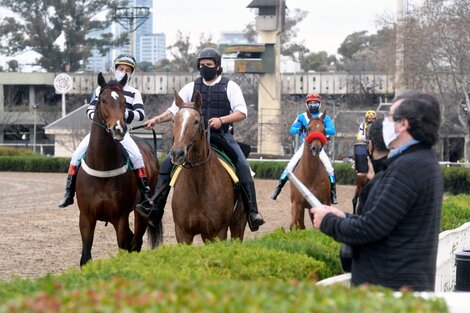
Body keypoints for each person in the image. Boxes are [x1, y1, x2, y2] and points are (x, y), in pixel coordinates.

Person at [311, 91, 444, 291]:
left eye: (390, 116)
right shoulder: (419, 161)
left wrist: (329, 222)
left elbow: (371, 228)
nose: (385, 123)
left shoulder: (408, 167)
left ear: (403, 125)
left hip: (390, 293)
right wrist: (344, 216)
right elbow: (384, 220)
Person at [140, 47, 265, 232]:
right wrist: (156, 120)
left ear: (217, 66)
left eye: (208, 65)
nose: (204, 68)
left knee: (242, 165)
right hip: (193, 139)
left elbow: (242, 112)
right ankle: (155, 207)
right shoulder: (191, 86)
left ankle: (252, 211)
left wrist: (221, 120)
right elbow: (175, 110)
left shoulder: (230, 86)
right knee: (167, 163)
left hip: (220, 135)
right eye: (201, 65)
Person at [58, 54, 154, 213]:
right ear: (115, 69)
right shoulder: (100, 90)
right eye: (121, 69)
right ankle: (69, 193)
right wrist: (100, 118)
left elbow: (140, 114)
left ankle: (145, 194)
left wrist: (121, 116)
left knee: (137, 157)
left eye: (128, 70)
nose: (124, 72)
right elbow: (90, 109)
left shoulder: (133, 92)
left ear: (132, 73)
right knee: (76, 155)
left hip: (122, 133)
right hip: (100, 133)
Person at [271, 92, 338, 204]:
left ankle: (333, 193)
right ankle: (278, 188)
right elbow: (292, 130)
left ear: (319, 104)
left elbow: (333, 130)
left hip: (319, 146)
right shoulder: (301, 117)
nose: (313, 104)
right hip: (305, 146)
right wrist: (302, 128)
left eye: (315, 102)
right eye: (310, 102)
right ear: (307, 104)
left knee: (329, 167)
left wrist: (322, 130)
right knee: (290, 166)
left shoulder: (324, 117)